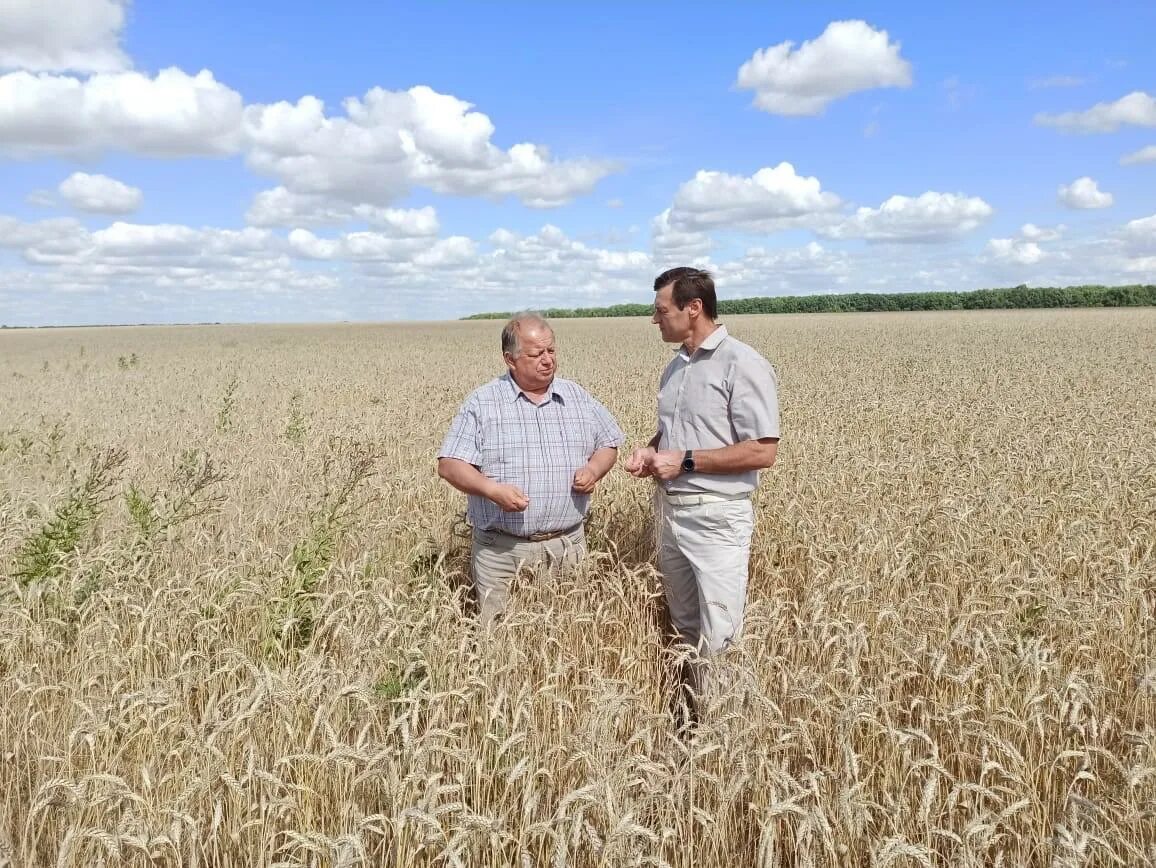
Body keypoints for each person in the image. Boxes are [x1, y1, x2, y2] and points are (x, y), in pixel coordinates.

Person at [625, 267, 780, 717]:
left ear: (694, 308)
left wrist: (685, 461)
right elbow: (674, 433)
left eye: (661, 311)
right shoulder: (675, 366)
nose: (655, 321)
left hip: (716, 516)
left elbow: (762, 451)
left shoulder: (742, 363)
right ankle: (693, 719)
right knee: (686, 625)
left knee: (721, 634)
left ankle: (724, 735)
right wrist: (651, 450)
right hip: (670, 512)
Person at [438, 312, 625, 627]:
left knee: (568, 637)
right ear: (510, 359)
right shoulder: (482, 404)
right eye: (537, 354)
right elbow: (449, 465)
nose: (548, 360)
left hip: (568, 548)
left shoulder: (577, 397)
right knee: (500, 643)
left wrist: (594, 469)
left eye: (551, 350)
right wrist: (492, 490)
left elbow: (609, 443)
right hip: (502, 554)